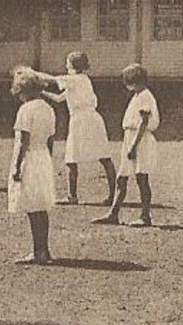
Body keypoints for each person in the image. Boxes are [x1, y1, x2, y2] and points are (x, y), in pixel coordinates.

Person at [38, 51, 116, 206]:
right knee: (100, 157)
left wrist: (31, 73)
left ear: (73, 65)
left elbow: (51, 79)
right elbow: (59, 99)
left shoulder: (75, 79)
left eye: (67, 62)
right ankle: (110, 194)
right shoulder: (80, 81)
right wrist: (41, 92)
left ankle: (74, 197)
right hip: (91, 119)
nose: (66, 65)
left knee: (74, 158)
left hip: (83, 120)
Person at [95, 63, 159, 227]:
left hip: (140, 140)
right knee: (121, 178)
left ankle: (145, 216)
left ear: (135, 81)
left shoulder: (145, 96)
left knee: (141, 178)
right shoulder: (137, 95)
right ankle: (113, 214)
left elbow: (143, 123)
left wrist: (133, 147)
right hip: (130, 137)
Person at [8, 67, 58, 264]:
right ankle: (43, 250)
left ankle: (39, 252)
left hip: (29, 158)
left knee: (32, 207)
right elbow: (51, 138)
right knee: (40, 206)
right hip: (43, 157)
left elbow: (23, 141)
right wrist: (48, 160)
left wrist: (17, 166)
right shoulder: (48, 108)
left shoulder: (26, 110)